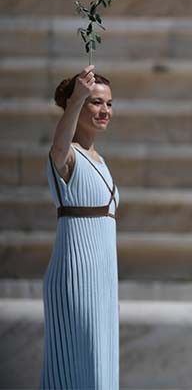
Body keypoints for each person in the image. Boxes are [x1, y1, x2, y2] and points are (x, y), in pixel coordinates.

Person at [41, 65, 120, 389]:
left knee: (100, 362)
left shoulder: (98, 158)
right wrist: (77, 99)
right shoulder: (67, 154)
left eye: (109, 104)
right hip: (77, 273)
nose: (105, 111)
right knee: (79, 363)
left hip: (103, 276)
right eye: (96, 102)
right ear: (77, 104)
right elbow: (58, 148)